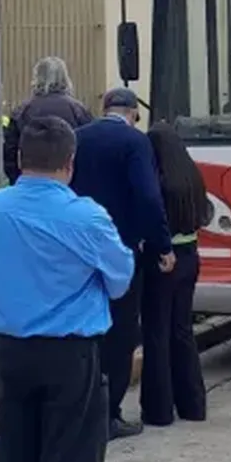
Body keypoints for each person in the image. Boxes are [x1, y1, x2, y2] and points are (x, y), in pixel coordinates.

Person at [0, 115, 134, 462]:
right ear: (70, 164)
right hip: (68, 352)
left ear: (20, 159)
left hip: (10, 349)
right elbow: (120, 278)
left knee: (15, 460)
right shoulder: (85, 217)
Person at [70, 87, 174, 440]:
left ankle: (81, 405)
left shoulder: (78, 138)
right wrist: (162, 243)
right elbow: (148, 196)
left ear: (104, 108)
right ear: (133, 114)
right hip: (122, 249)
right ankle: (109, 413)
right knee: (121, 332)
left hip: (80, 249)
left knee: (86, 327)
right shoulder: (134, 142)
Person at [138, 121, 211, 426]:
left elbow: (152, 217)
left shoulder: (159, 181)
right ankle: (193, 404)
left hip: (162, 259)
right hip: (190, 256)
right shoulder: (191, 177)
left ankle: (159, 410)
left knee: (156, 333)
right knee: (182, 331)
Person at [3, 56, 92, 184]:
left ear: (36, 78)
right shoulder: (79, 111)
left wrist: (18, 181)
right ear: (66, 78)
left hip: (31, 186)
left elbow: (10, 154)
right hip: (70, 187)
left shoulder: (22, 112)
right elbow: (88, 151)